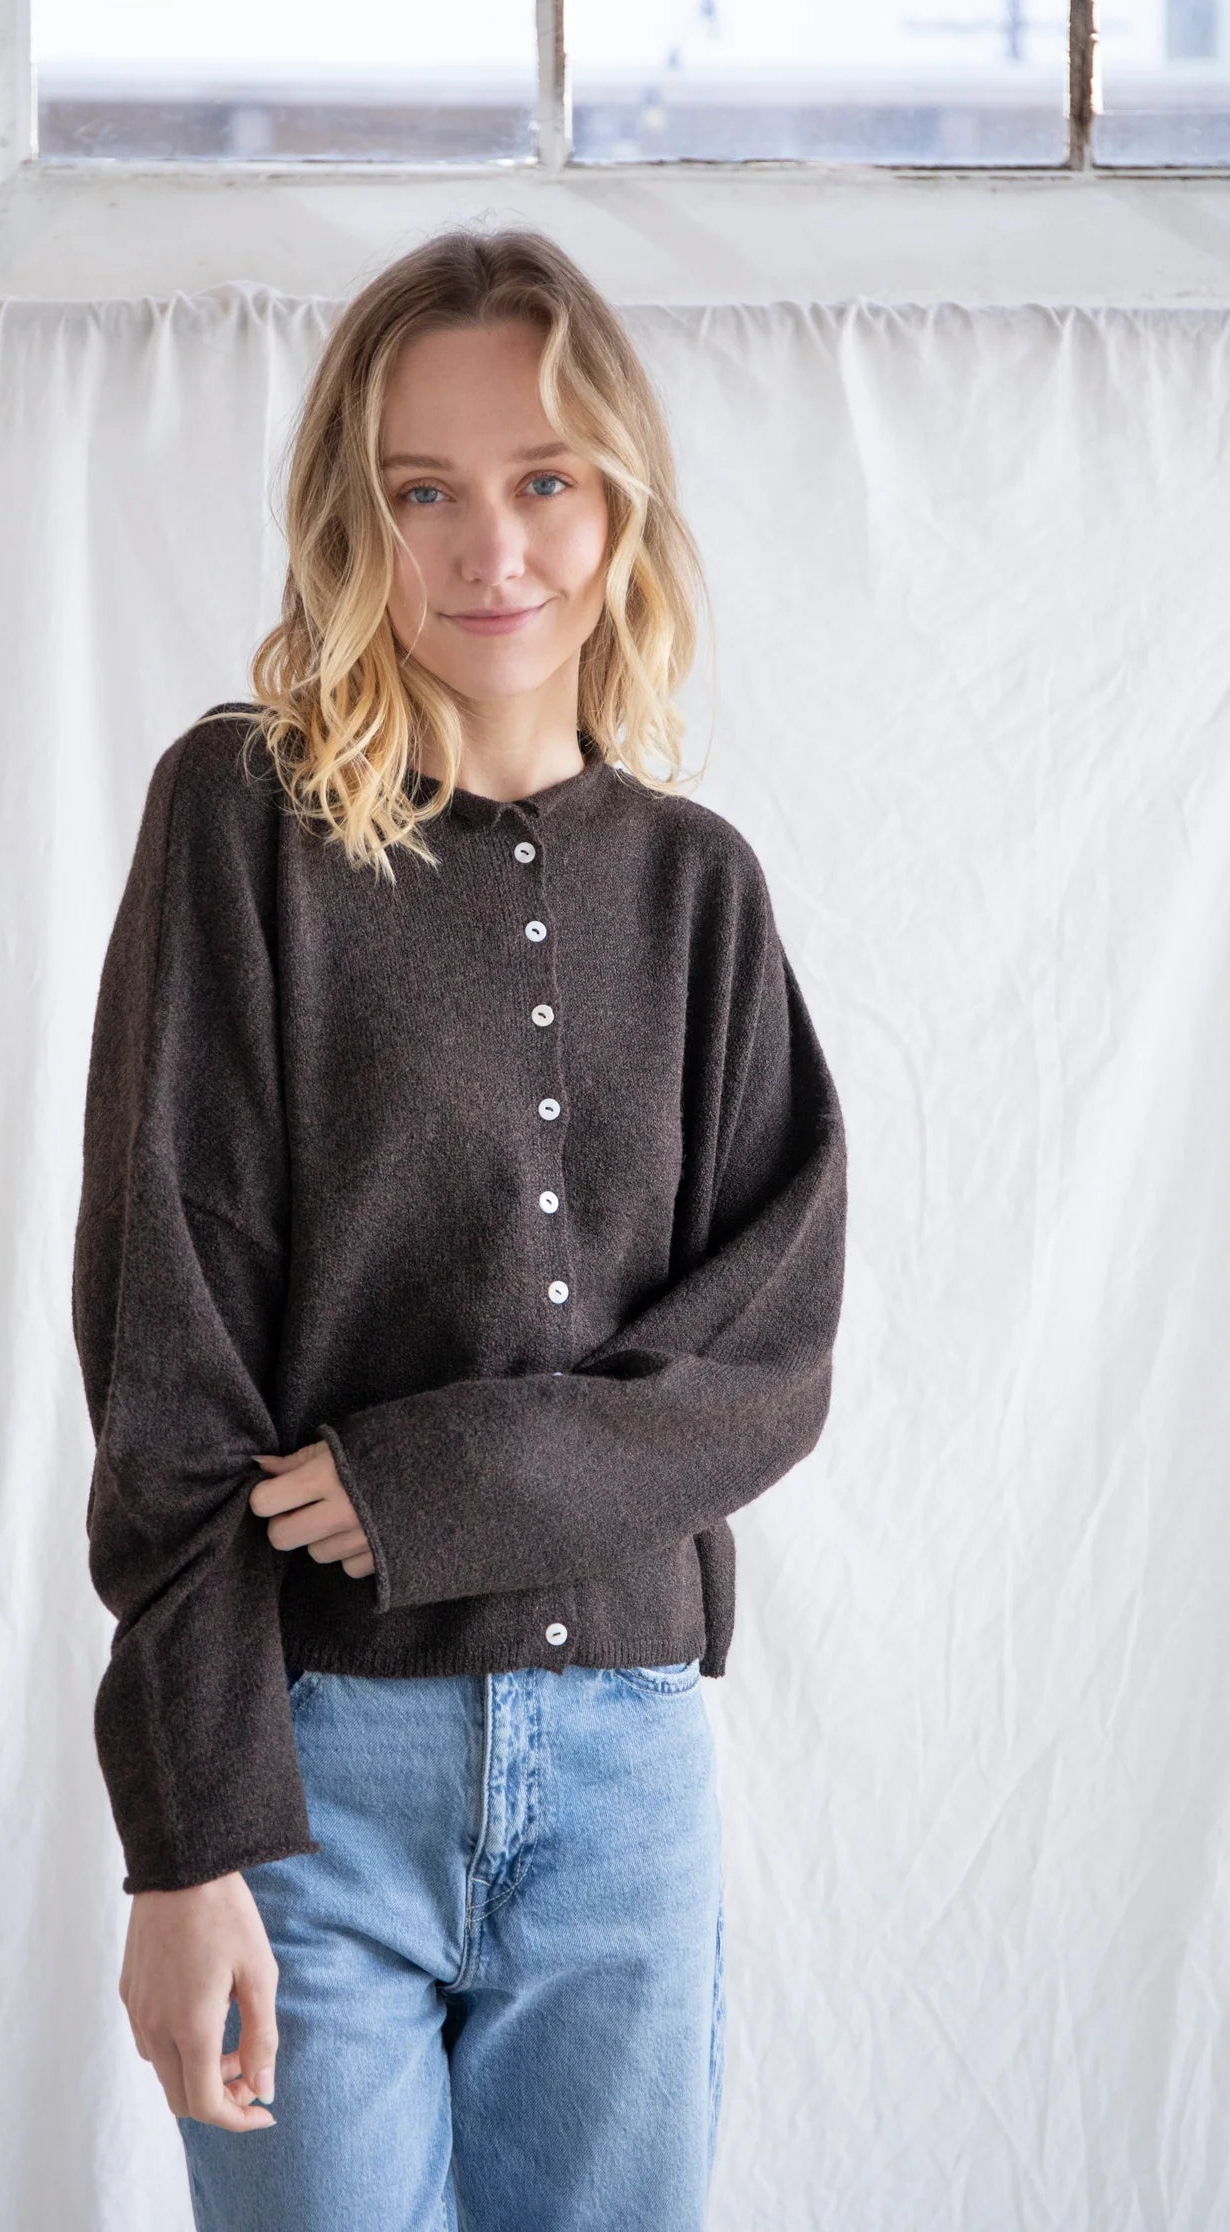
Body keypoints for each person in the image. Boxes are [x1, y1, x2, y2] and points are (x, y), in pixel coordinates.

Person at [71, 226, 849, 2231]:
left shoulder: (698, 893)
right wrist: (184, 1843)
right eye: (421, 492)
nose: (488, 549)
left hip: (625, 1789)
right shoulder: (239, 825)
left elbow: (767, 1368)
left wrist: (438, 1478)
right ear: (356, 518)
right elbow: (165, 1350)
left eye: (543, 481)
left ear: (618, 503)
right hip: (314, 1781)